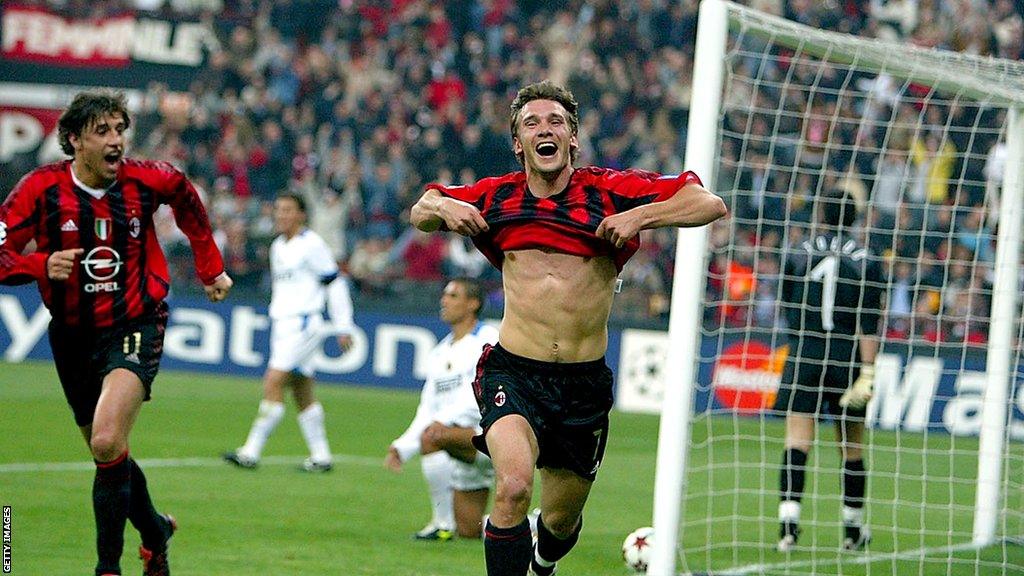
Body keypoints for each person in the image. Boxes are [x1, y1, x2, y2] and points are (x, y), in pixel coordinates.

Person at [409, 80, 727, 576]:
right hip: (513, 372)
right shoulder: (497, 197)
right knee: (512, 485)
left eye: (555, 121)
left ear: (573, 137)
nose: (545, 130)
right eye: (531, 123)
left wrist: (642, 216)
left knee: (559, 521)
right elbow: (421, 209)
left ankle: (543, 561)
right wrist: (444, 205)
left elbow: (708, 202)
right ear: (519, 144)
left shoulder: (610, 192)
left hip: (581, 384)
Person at [0, 90, 233, 576]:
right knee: (110, 452)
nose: (116, 141)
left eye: (119, 130)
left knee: (106, 440)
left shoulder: (148, 180)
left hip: (135, 321)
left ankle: (108, 568)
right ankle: (154, 531)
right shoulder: (38, 190)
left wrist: (211, 268)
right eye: (102, 131)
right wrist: (37, 264)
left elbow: (187, 201)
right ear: (73, 140)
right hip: (71, 335)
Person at [772, 189, 884, 553]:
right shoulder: (867, 260)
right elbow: (869, 323)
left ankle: (788, 528)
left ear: (821, 214)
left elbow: (787, 305)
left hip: (805, 352)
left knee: (797, 440)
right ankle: (852, 532)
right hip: (846, 357)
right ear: (855, 217)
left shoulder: (798, 253)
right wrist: (868, 372)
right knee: (851, 447)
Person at [223, 193, 355, 472]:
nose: (281, 215)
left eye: (287, 210)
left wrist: (343, 325)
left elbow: (335, 283)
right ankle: (321, 456)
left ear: (301, 215)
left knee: (273, 381)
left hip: (303, 322)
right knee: (301, 389)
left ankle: (250, 452)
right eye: (278, 210)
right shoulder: (278, 246)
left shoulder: (312, 245)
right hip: (283, 323)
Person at [385, 278, 499, 540]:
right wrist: (403, 446)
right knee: (471, 531)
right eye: (445, 294)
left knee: (433, 437)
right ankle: (533, 525)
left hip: (488, 436)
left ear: (473, 304)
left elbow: (481, 392)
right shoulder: (438, 353)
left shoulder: (488, 338)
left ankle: (441, 524)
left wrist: (439, 424)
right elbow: (428, 407)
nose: (444, 300)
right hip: (460, 445)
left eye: (453, 295)